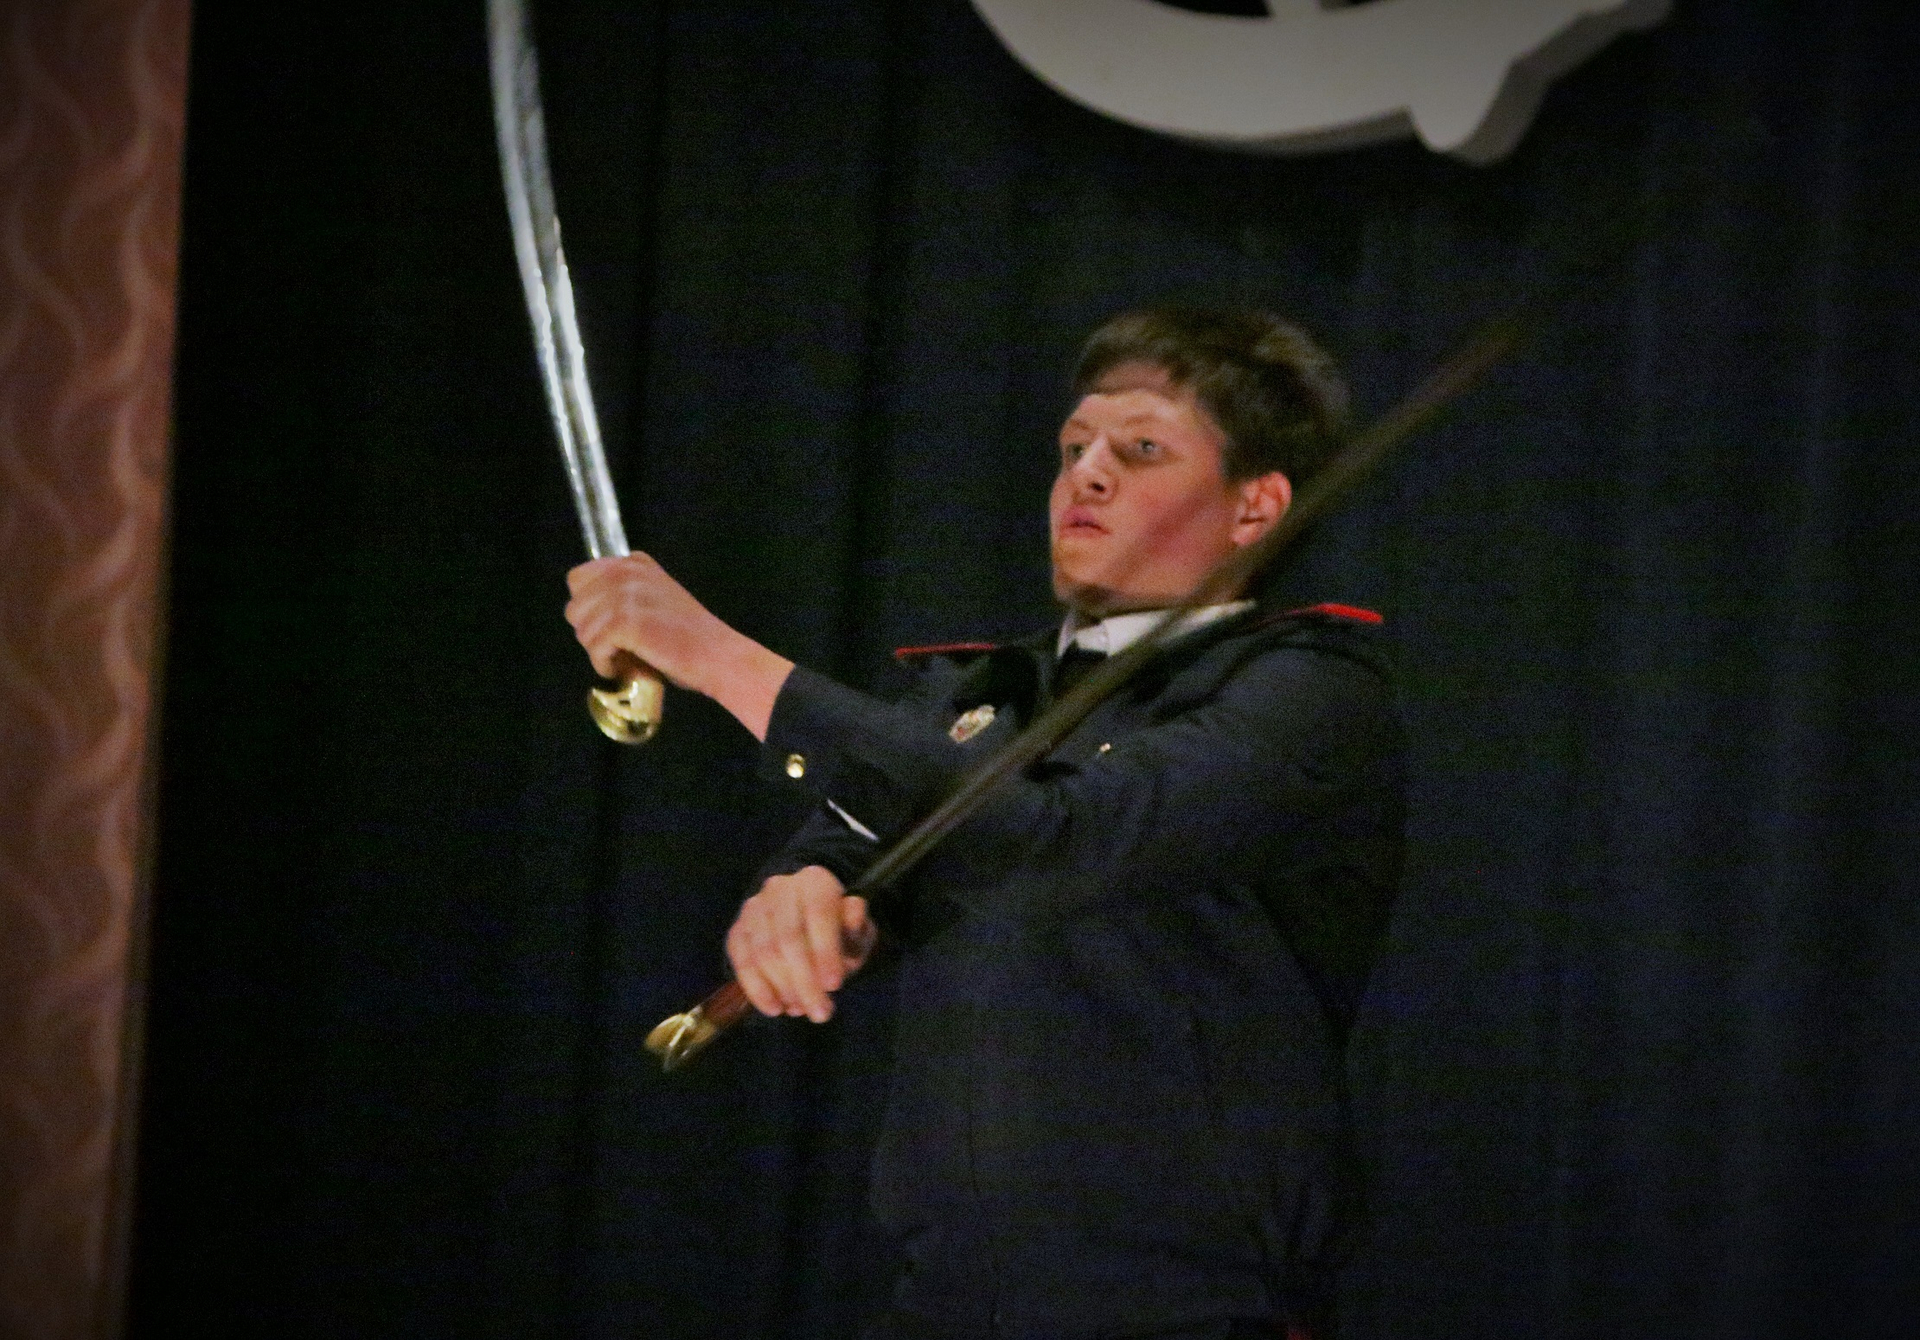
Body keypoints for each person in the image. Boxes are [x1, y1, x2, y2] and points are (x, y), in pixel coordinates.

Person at [564, 306, 1405, 1340]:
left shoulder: (1309, 692)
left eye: (1141, 449)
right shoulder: (982, 691)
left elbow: (1062, 837)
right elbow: (849, 836)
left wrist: (721, 657)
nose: (1086, 474)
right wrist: (803, 893)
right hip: (940, 1305)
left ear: (1255, 507)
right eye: (1074, 447)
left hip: (1188, 1314)